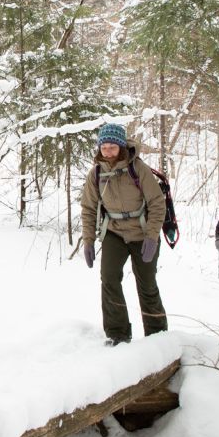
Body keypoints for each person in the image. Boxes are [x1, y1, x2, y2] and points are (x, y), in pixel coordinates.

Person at [80, 123, 168, 344]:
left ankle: (157, 335)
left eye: (112, 147)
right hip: (114, 233)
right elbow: (89, 208)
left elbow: (157, 203)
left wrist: (152, 236)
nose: (108, 152)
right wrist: (89, 241)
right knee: (109, 279)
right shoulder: (96, 173)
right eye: (104, 147)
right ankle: (118, 334)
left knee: (147, 284)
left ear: (121, 146)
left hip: (142, 233)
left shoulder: (138, 169)